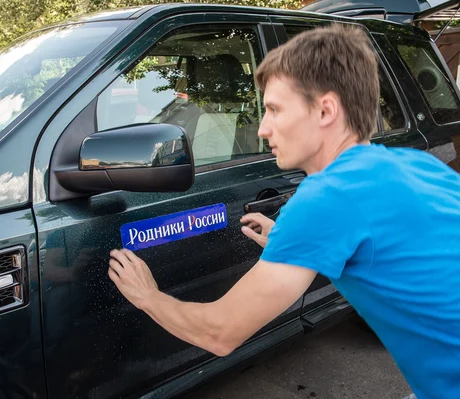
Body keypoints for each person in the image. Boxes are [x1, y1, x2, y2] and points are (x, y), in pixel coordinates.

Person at [107, 23, 460, 399]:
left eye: (274, 109)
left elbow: (220, 332)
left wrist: (148, 296)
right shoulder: (417, 164)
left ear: (325, 110)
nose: (261, 128)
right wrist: (287, 241)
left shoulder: (327, 198)